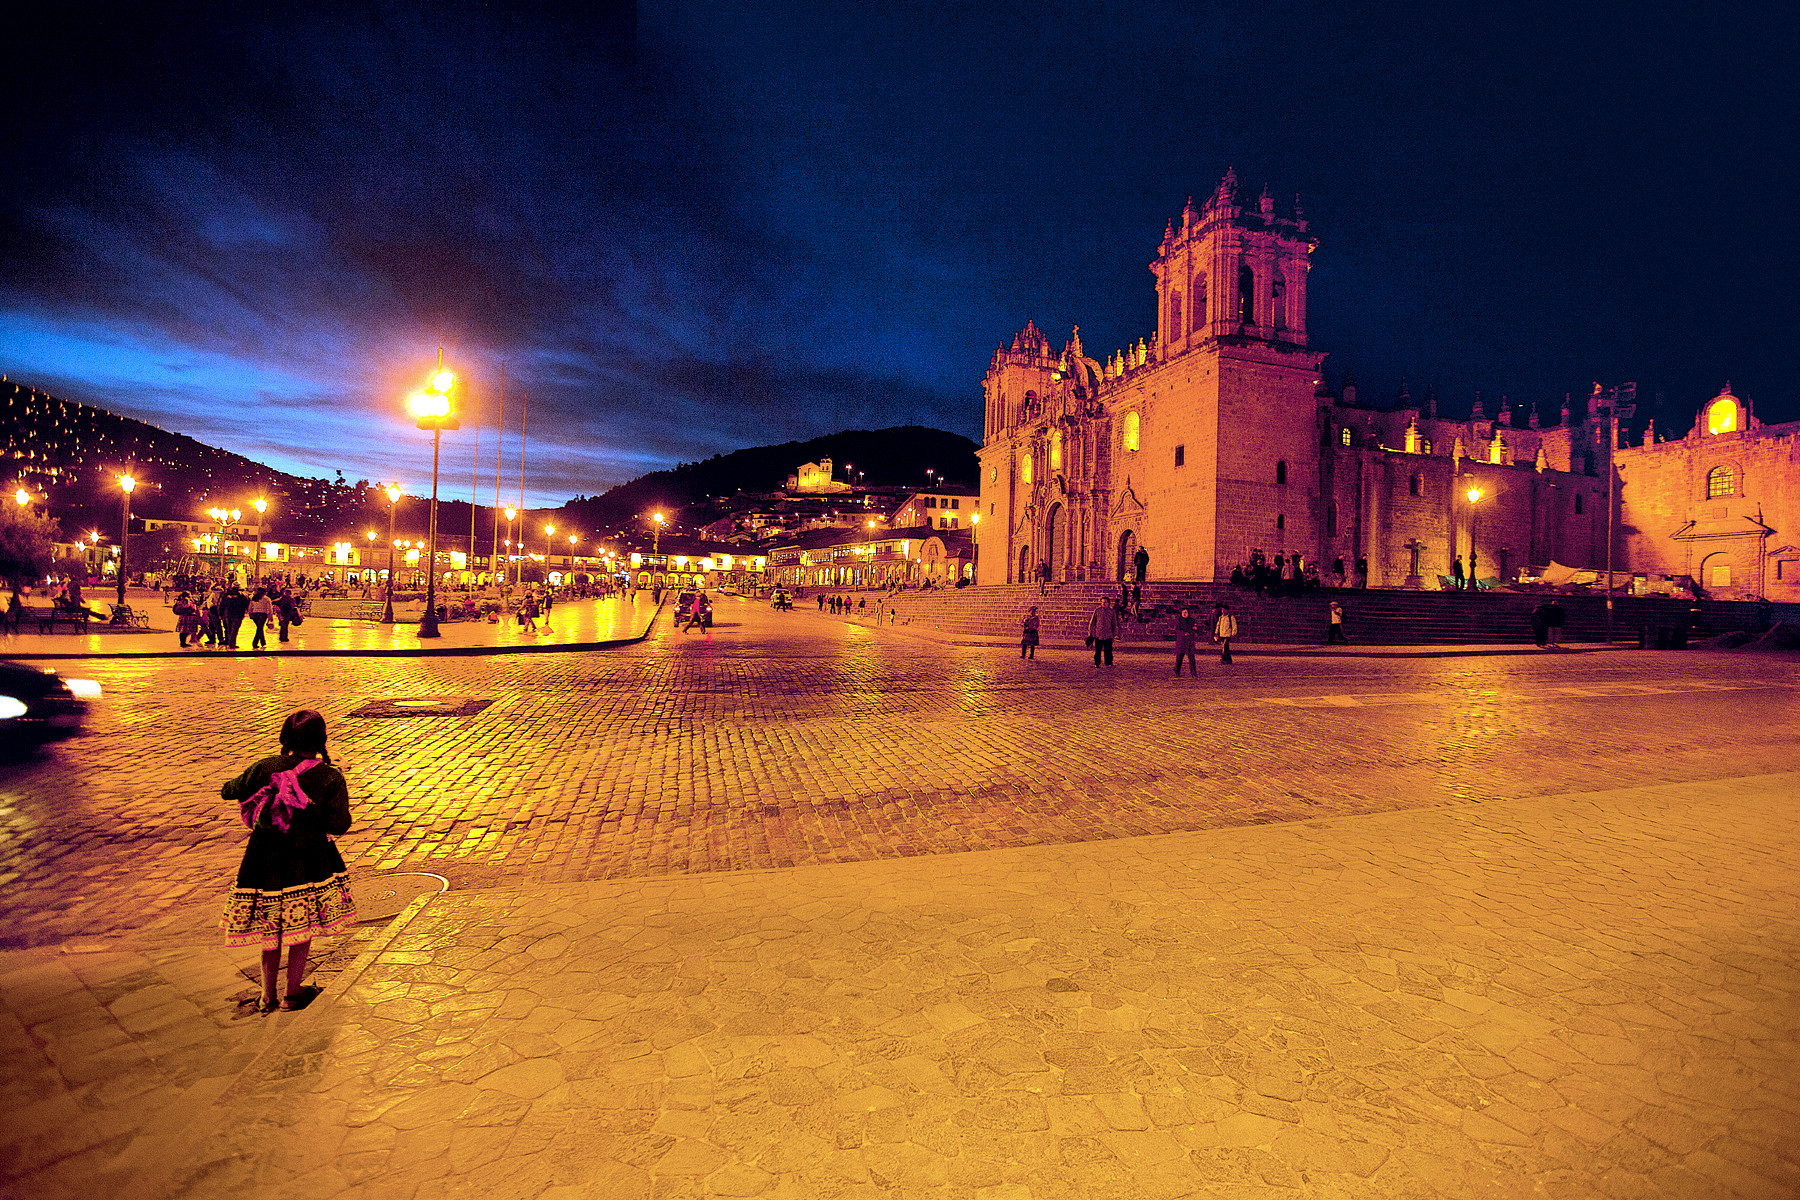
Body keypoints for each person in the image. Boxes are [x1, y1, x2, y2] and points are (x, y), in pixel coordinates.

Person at [220, 710, 356, 1014]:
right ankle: (292, 994)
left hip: (263, 860)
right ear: (321, 740)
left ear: (286, 739)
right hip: (308, 861)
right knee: (300, 927)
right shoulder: (330, 777)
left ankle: (267, 995)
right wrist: (309, 807)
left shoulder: (265, 767)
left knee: (272, 927)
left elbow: (228, 790)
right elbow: (339, 824)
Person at [1087, 597, 1117, 667]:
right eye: (1102, 602)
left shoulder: (1112, 612)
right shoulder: (1097, 611)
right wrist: (1091, 633)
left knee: (1108, 650)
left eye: (1105, 602)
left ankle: (1108, 662)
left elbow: (1114, 624)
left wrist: (1114, 634)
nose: (1103, 603)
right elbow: (1092, 622)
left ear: (1108, 603)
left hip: (1108, 634)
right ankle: (1097, 663)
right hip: (1098, 634)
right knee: (1098, 650)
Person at [1174, 605, 1199, 675]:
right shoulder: (1179, 620)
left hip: (1189, 641)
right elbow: (1177, 629)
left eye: (1186, 612)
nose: (1185, 614)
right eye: (1183, 613)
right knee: (1180, 657)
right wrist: (1183, 633)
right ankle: (1177, 670)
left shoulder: (1191, 620)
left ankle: (1193, 672)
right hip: (1182, 641)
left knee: (1191, 657)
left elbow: (1196, 628)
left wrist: (1195, 629)